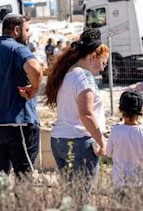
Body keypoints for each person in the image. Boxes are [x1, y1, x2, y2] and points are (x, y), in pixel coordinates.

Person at [0, 13, 43, 175]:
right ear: (17, 30)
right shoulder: (18, 49)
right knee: (24, 178)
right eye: (27, 30)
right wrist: (34, 89)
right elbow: (35, 69)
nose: (29, 34)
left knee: (0, 177)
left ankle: (1, 202)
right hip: (19, 125)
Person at [45, 29, 109, 177]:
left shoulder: (68, 73)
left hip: (59, 140)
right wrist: (102, 141)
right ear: (93, 57)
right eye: (103, 63)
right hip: (78, 142)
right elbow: (86, 114)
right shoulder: (84, 77)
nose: (102, 68)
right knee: (81, 197)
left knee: (71, 196)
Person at [106, 90, 143, 209]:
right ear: (141, 111)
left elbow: (108, 152)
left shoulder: (115, 131)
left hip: (120, 181)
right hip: (140, 181)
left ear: (120, 109)